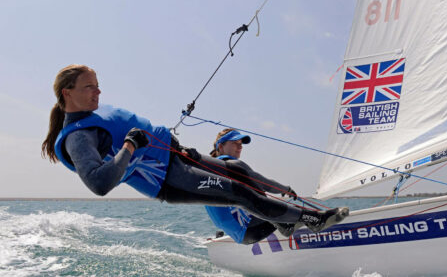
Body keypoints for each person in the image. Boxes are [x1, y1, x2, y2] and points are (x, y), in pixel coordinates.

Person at [41, 64, 349, 234]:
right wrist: (130, 145)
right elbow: (99, 182)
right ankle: (311, 219)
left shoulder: (93, 113)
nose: (98, 91)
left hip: (175, 154)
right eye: (89, 87)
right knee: (238, 192)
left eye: (97, 85)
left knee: (239, 170)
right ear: (68, 94)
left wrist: (174, 145)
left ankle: (285, 220)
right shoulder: (78, 138)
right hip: (166, 179)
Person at [205, 128, 299, 244]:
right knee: (299, 214)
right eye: (235, 143)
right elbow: (264, 184)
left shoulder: (209, 168)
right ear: (220, 147)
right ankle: (280, 222)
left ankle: (278, 221)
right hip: (250, 229)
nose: (240, 147)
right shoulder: (232, 164)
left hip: (238, 233)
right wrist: (286, 189)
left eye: (240, 144)